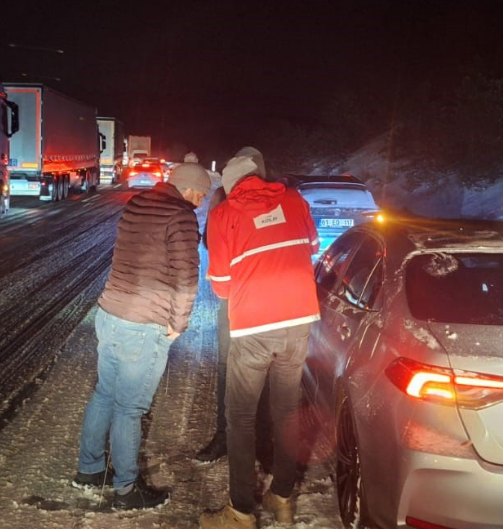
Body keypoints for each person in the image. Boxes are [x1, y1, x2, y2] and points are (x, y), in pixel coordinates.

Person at [73, 161, 212, 510]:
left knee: (105, 393)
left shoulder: (136, 203)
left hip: (111, 312)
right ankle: (126, 489)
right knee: (129, 408)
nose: (200, 202)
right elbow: (185, 277)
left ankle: (88, 470)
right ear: (191, 189)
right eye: (201, 194)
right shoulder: (181, 215)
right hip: (144, 321)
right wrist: (178, 324)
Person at [199, 153, 319, 529]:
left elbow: (220, 286)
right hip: (300, 318)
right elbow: (312, 247)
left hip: (253, 326)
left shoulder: (224, 215)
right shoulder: (295, 200)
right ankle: (282, 496)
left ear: (230, 185)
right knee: (286, 411)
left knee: (241, 417)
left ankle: (240, 512)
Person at [194, 146, 266, 463]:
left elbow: (209, 242)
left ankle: (227, 436)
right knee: (266, 369)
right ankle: (262, 443)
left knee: (228, 367)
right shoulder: (282, 196)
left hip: (235, 296)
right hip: (268, 299)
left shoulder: (223, 199)